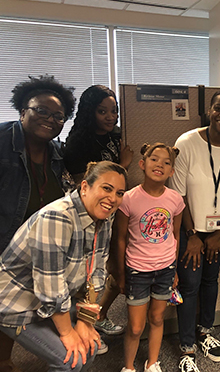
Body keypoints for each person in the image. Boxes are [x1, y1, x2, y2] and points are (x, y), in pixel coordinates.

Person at [0, 161, 127, 372]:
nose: (113, 198)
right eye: (107, 188)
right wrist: (68, 333)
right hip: (17, 303)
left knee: (90, 346)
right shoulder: (58, 217)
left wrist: (85, 324)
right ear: (85, 187)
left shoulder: (103, 217)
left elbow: (96, 275)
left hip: (50, 299)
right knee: (70, 360)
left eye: (120, 193)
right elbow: (51, 287)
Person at [0, 75, 76, 372]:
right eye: (41, 111)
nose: (50, 119)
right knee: (6, 308)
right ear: (22, 110)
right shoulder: (3, 144)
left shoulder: (57, 154)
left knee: (34, 305)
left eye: (58, 116)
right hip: (6, 244)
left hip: (41, 247)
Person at [170, 90, 220, 372]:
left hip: (219, 230)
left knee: (210, 281)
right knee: (189, 285)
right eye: (219, 108)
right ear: (209, 111)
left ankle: (205, 332)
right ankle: (186, 347)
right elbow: (178, 195)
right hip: (190, 229)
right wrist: (192, 235)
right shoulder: (187, 143)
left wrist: (218, 234)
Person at [64, 85, 134, 344]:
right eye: (102, 111)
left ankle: (98, 316)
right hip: (89, 220)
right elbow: (87, 188)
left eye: (114, 111)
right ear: (89, 111)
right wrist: (123, 165)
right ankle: (83, 329)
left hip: (117, 214)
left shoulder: (118, 136)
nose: (110, 116)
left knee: (116, 274)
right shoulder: (78, 142)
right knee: (88, 279)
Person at [115, 143, 184, 372]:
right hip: (137, 270)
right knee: (135, 327)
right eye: (155, 159)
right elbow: (121, 238)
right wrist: (121, 274)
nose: (160, 165)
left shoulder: (175, 200)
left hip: (165, 268)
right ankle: (128, 366)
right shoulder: (129, 199)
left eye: (166, 162)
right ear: (143, 164)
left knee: (157, 318)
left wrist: (174, 271)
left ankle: (152, 362)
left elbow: (175, 236)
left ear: (172, 171)